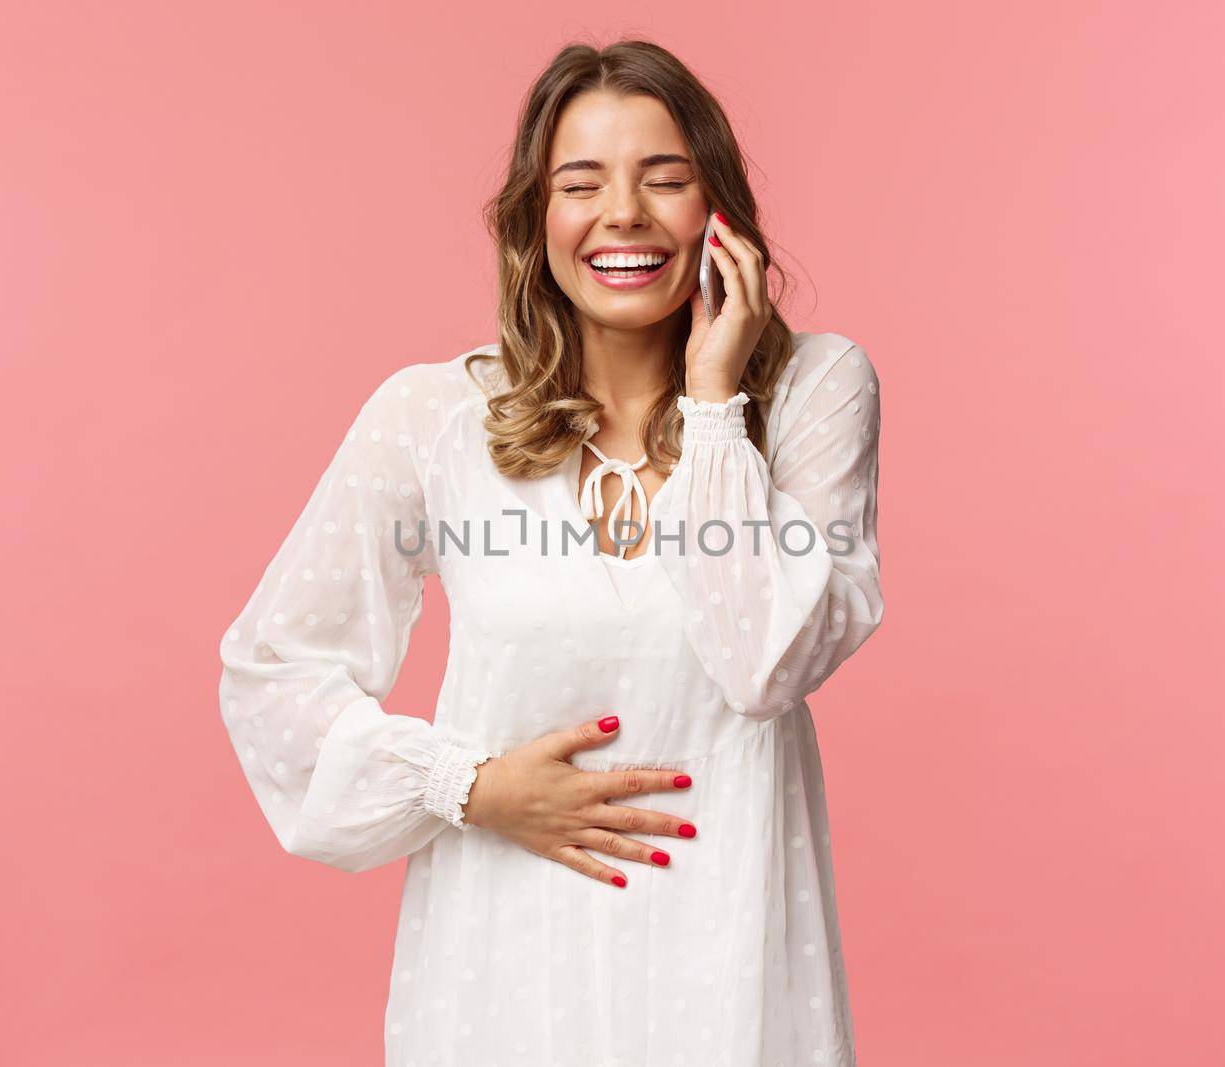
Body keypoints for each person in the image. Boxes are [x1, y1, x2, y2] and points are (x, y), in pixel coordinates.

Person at [217, 37, 884, 1067]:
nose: (623, 213)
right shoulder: (432, 415)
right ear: (538, 218)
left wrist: (713, 405)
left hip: (730, 964)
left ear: (719, 212)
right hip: (505, 969)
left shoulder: (810, 392)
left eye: (664, 178)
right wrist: (466, 784)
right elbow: (274, 673)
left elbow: (767, 664)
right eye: (582, 183)